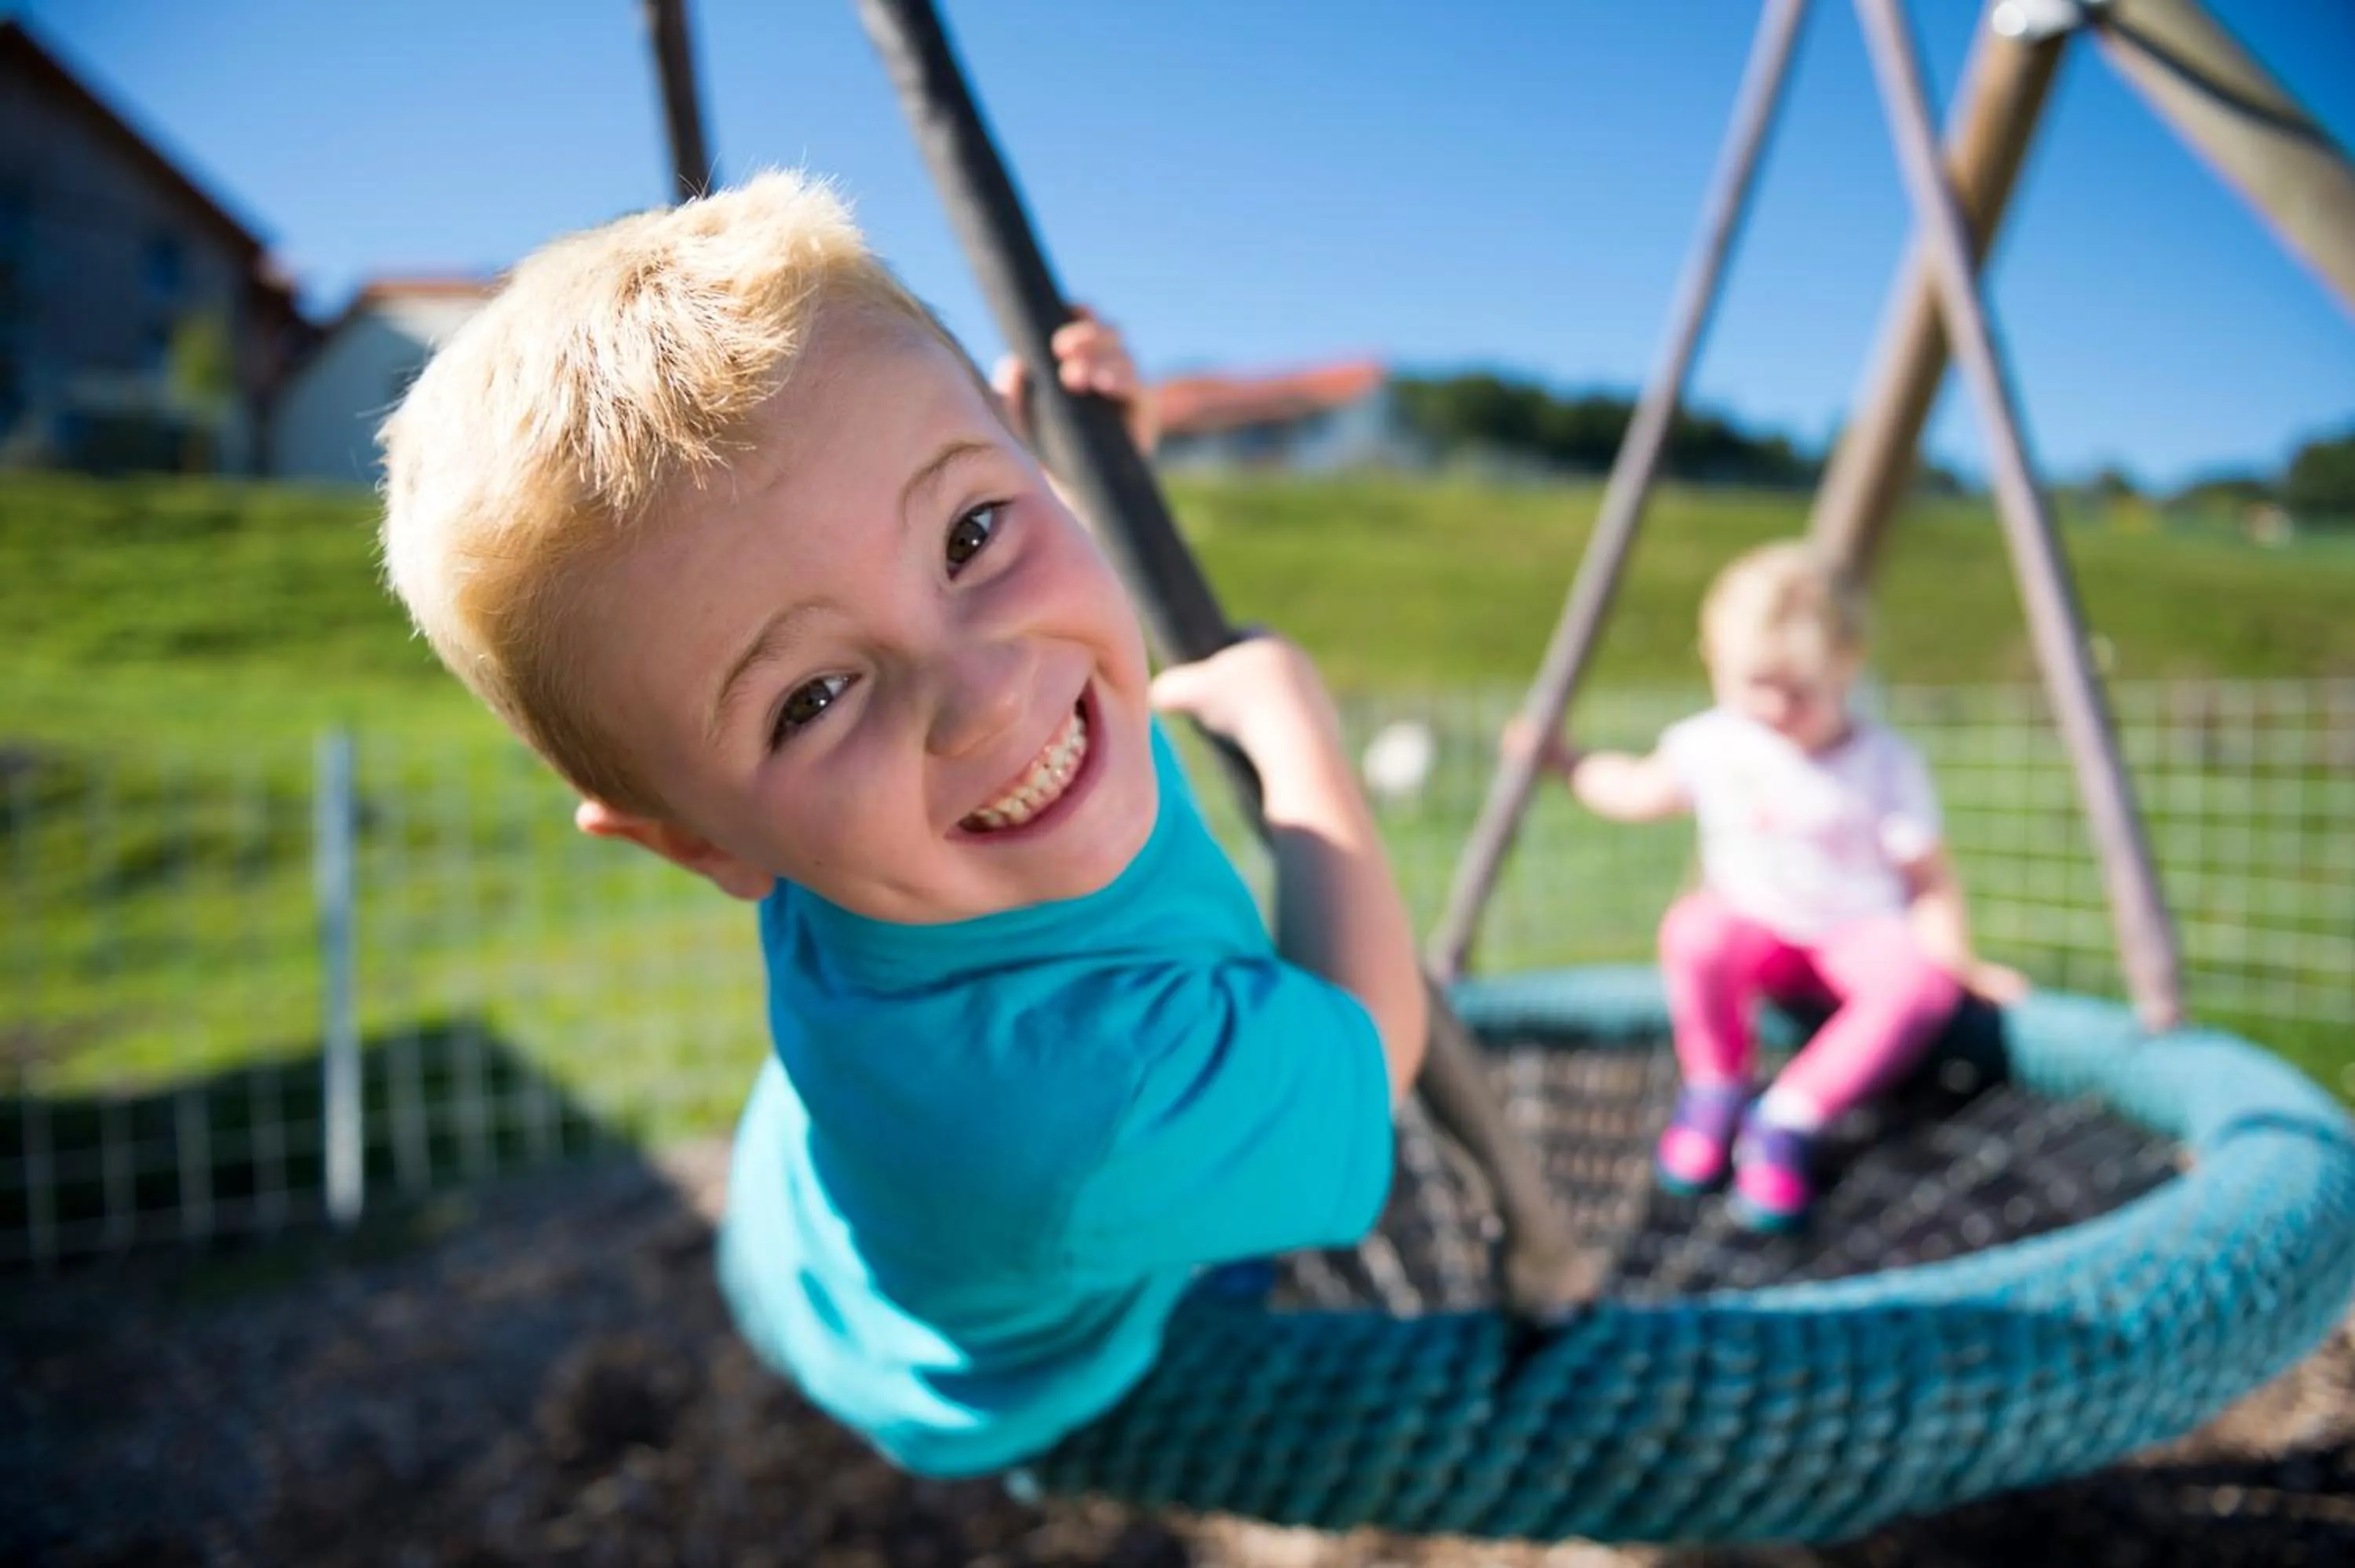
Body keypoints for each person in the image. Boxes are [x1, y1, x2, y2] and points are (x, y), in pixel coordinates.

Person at [377, 172, 1423, 1477]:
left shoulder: (870, 813)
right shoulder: (1087, 1099)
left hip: (799, 1202)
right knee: (1197, 1274)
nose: (985, 695)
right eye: (813, 697)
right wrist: (1300, 747)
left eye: (974, 529)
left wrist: (1100, 471)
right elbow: (1372, 1047)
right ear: (700, 843)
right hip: (966, 1375)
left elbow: (874, 561)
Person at [1504, 541, 2025, 1231]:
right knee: (1695, 931)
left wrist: (1960, 962)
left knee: (1920, 987)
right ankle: (1716, 1086)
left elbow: (1928, 881)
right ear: (1714, 665)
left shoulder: (1883, 763)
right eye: (1755, 685)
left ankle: (1789, 1116)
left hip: (1856, 928)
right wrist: (1566, 764)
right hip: (1758, 923)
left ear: (1848, 666)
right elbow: (1632, 790)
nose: (1776, 707)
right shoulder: (1714, 742)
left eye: (1800, 690)